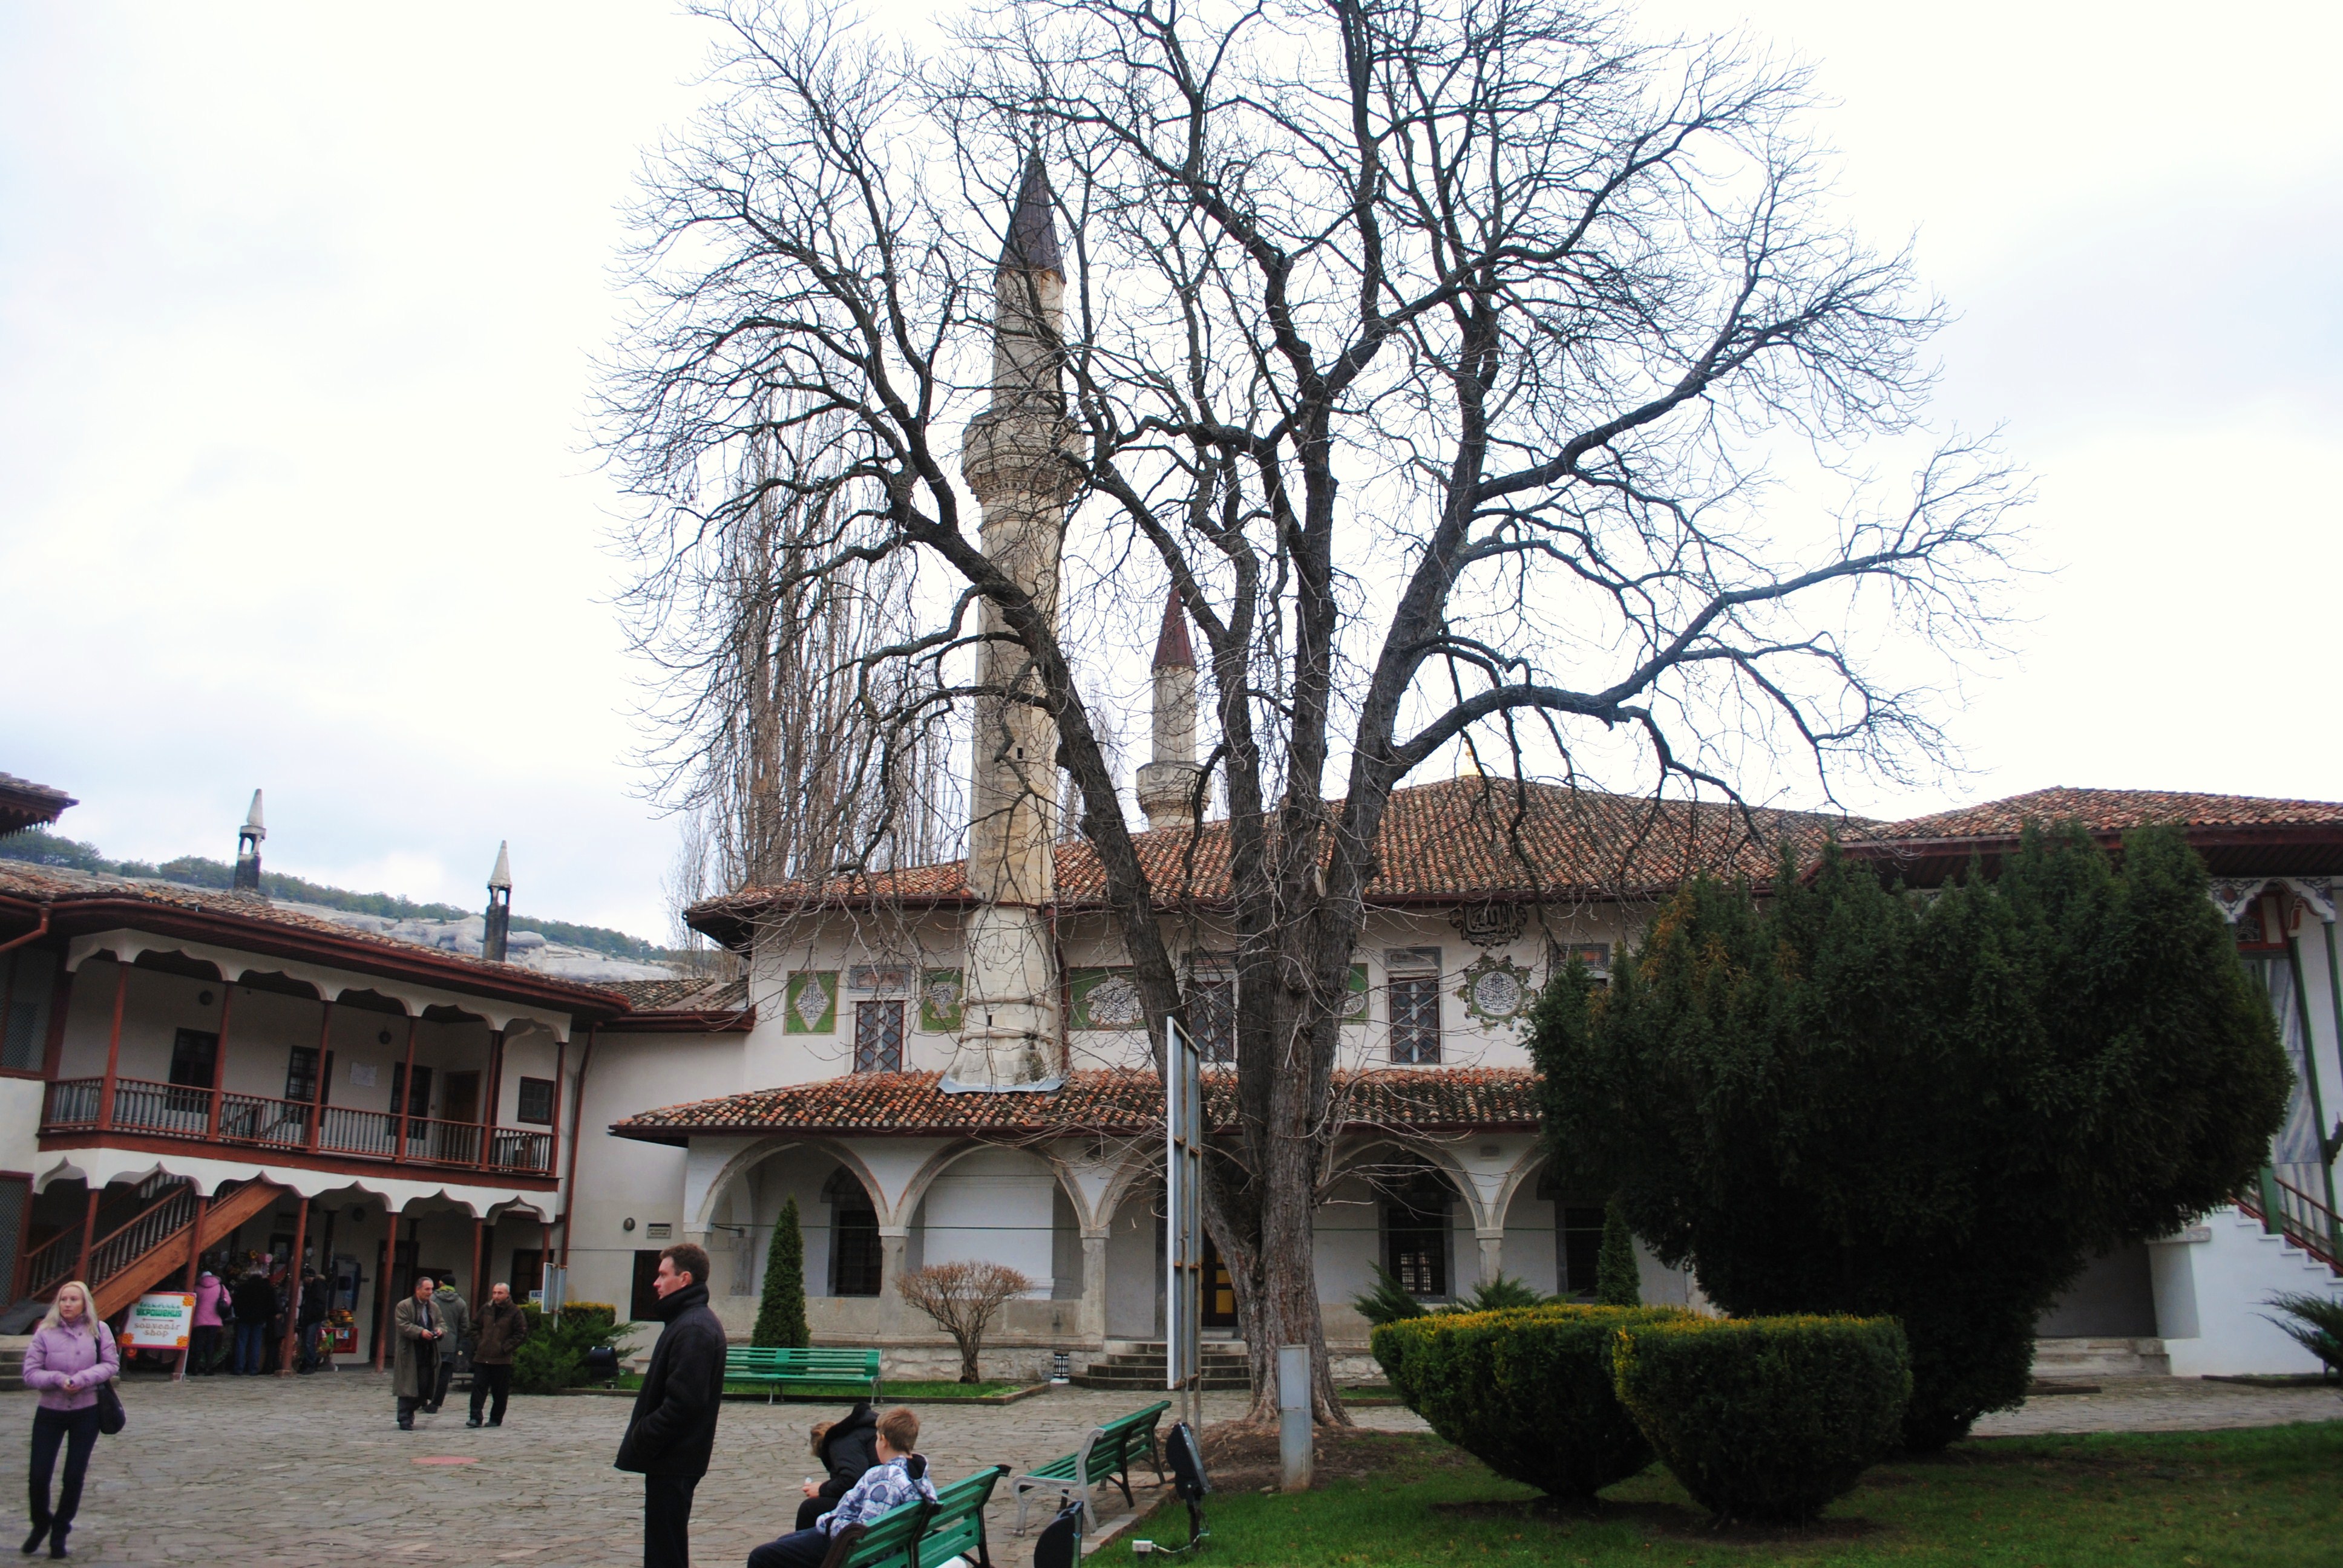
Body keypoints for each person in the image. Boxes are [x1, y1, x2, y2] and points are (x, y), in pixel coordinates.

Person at [614, 1243, 723, 1568]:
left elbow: (685, 1402)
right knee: (664, 1545)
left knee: (666, 1551)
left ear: (685, 1279)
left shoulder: (694, 1328)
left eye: (663, 1275)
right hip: (673, 1456)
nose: (656, 1283)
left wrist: (645, 1434)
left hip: (675, 1456)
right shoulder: (685, 1321)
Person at [746, 1408, 935, 1568]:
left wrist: (830, 1523)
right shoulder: (917, 1473)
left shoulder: (886, 1481)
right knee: (784, 1542)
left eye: (876, 1439)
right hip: (873, 1543)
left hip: (846, 1548)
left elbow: (865, 1536)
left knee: (761, 1556)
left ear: (883, 1441)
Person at [21, 1280, 118, 1560]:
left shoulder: (99, 1330)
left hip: (86, 1411)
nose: (67, 1304)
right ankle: (41, 1522)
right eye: (64, 1299)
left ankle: (60, 1531)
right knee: (38, 1476)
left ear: (84, 1303)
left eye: (74, 1299)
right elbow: (30, 1373)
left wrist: (83, 1379)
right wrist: (56, 1379)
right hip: (50, 1411)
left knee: (74, 1476)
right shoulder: (45, 1332)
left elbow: (111, 1364)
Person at [796, 1402, 879, 1530]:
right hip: (879, 1502)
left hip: (869, 1508)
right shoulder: (864, 1431)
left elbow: (852, 1479)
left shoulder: (840, 1443)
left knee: (809, 1508)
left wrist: (822, 1489)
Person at [467, 1282, 525, 1428]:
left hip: (502, 1360)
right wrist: (479, 1344)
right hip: (482, 1357)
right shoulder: (486, 1309)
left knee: (500, 1392)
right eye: (494, 1293)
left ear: (507, 1295)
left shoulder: (515, 1311)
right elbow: (474, 1327)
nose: (496, 1296)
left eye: (500, 1293)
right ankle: (475, 1417)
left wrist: (505, 1348)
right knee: (478, 1389)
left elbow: (521, 1333)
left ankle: (496, 1418)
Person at [391, 1275, 445, 1430]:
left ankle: (411, 1412)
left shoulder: (434, 1307)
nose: (430, 1292)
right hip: (409, 1352)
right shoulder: (404, 1306)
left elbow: (441, 1323)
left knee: (423, 1386)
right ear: (418, 1289)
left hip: (427, 1352)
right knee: (407, 1387)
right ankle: (405, 1418)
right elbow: (403, 1325)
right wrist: (420, 1332)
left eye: (432, 1289)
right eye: (427, 1289)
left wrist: (440, 1330)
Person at [425, 1280, 470, 1413]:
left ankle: (423, 1399)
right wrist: (456, 1338)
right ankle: (436, 1403)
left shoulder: (432, 1299)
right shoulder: (460, 1302)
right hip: (450, 1343)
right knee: (444, 1374)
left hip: (431, 1341)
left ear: (441, 1283)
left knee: (427, 1371)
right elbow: (465, 1326)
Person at [229, 1268, 275, 1376]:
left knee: (242, 1343)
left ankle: (239, 1368)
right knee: (256, 1344)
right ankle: (253, 1369)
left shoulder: (243, 1287)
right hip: (259, 1319)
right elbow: (271, 1304)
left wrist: (239, 1314)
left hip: (244, 1318)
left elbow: (236, 1303)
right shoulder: (266, 1288)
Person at [189, 1269, 227, 1376]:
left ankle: (195, 1368)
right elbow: (227, 1302)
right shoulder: (221, 1287)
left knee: (198, 1343)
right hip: (214, 1320)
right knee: (211, 1344)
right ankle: (208, 1368)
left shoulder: (196, 1288)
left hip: (199, 1320)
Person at [295, 1268, 328, 1373]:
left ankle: (310, 1364)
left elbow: (320, 1304)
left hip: (312, 1319)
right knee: (307, 1342)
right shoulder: (311, 1287)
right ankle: (306, 1363)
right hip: (309, 1318)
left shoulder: (317, 1287)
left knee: (309, 1341)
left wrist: (311, 1315)